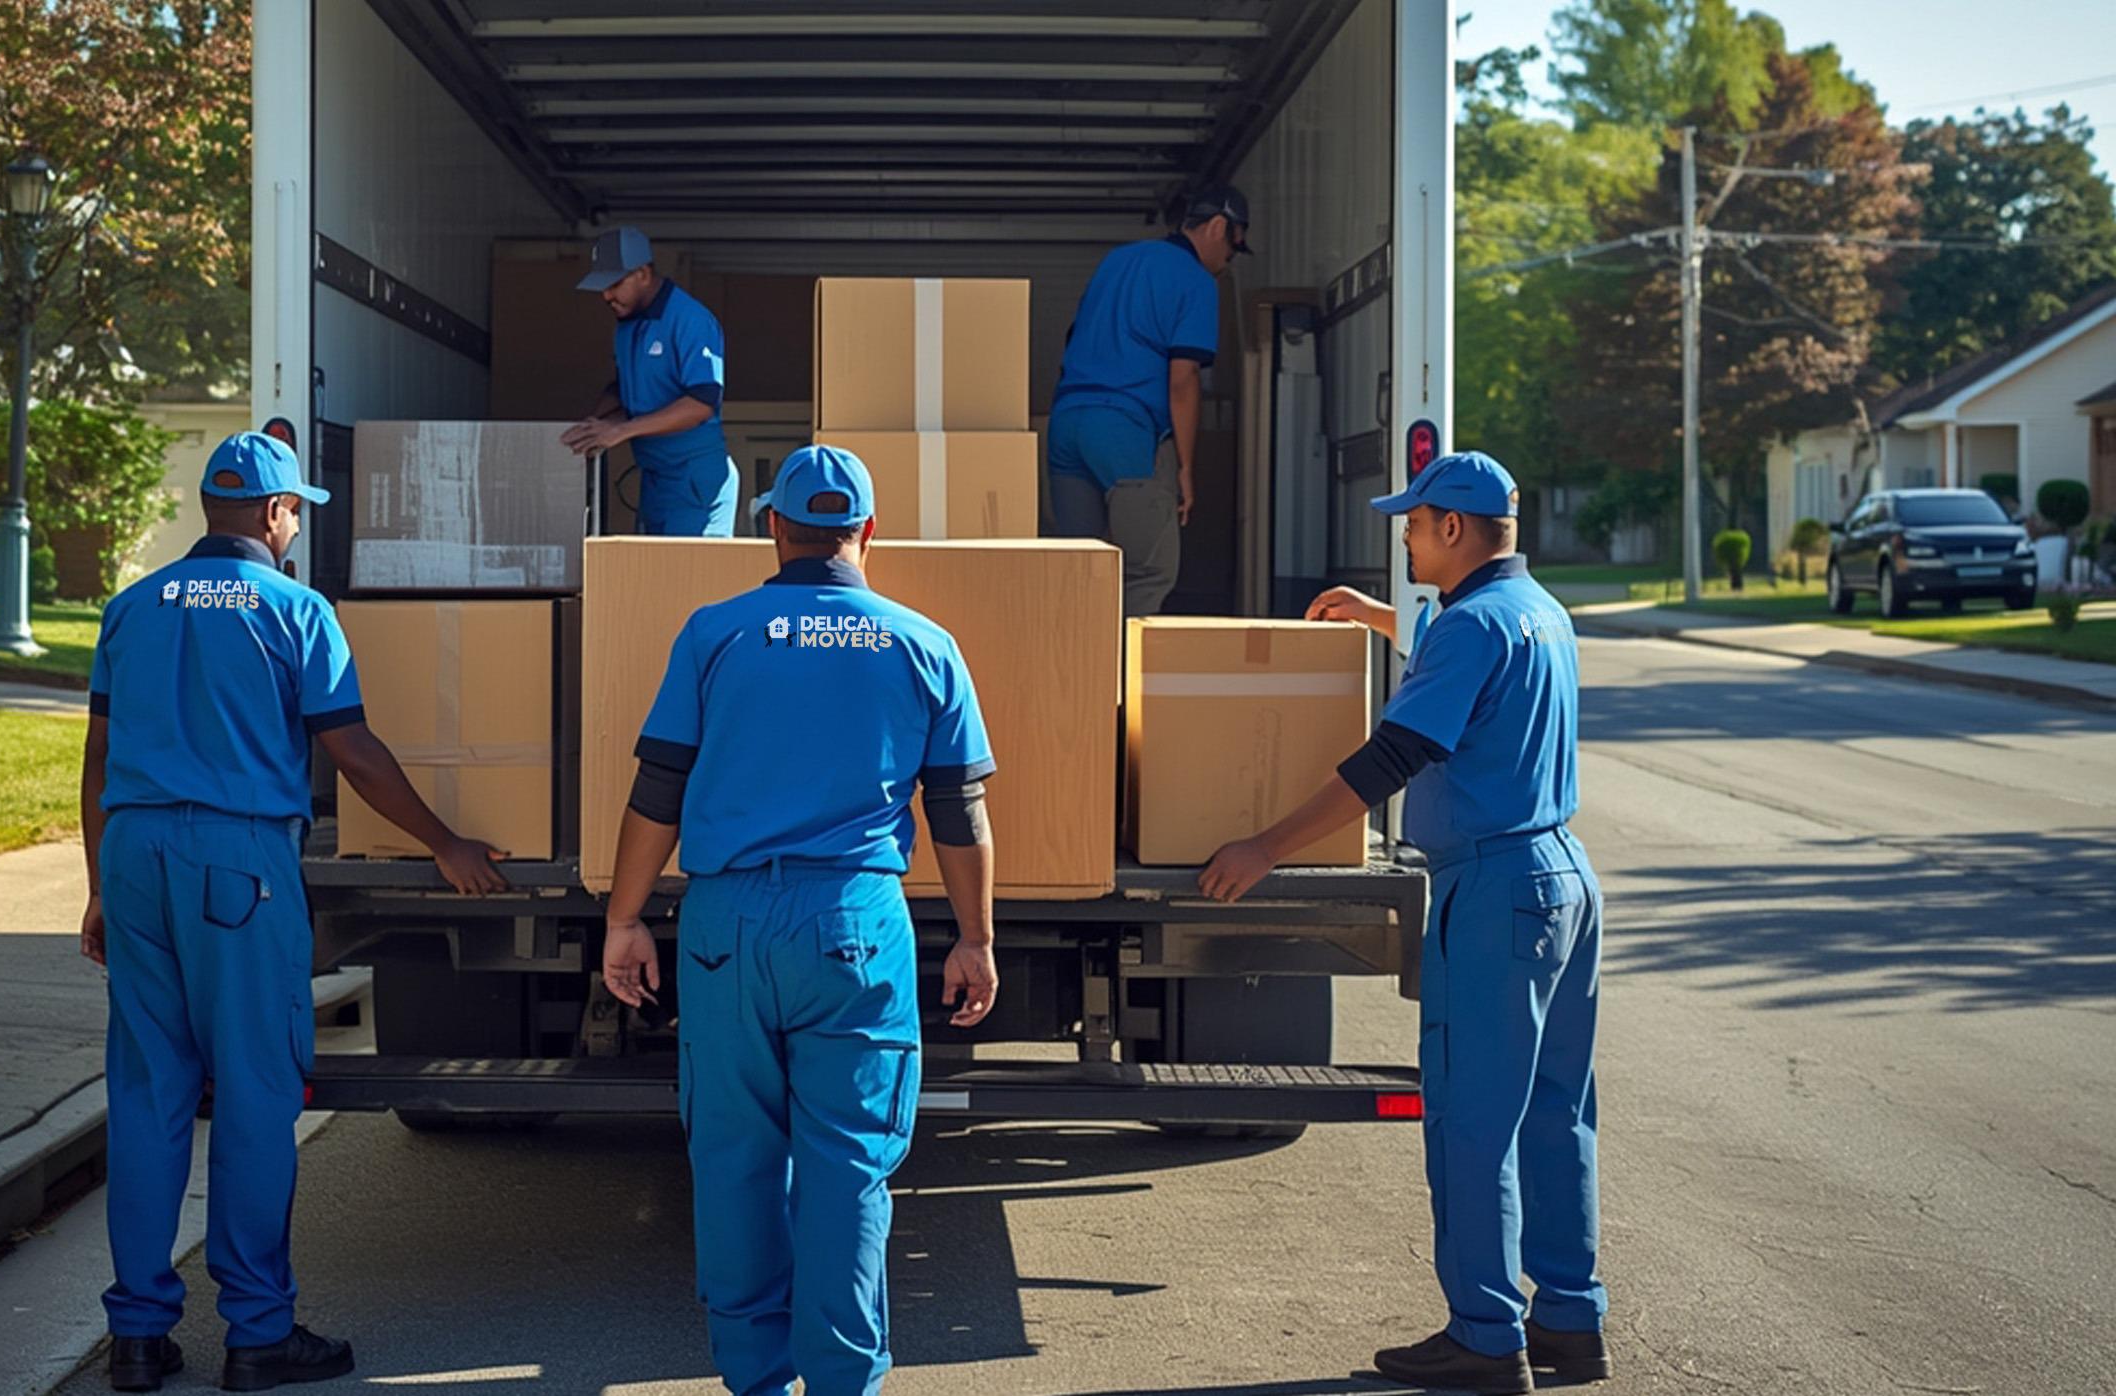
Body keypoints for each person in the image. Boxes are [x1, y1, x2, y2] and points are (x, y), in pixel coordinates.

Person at [79, 432, 511, 1393]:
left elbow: (98, 757)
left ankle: (138, 1338)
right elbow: (350, 752)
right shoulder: (295, 609)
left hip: (135, 853)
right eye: (294, 514)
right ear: (276, 514)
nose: (294, 529)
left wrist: (101, 887)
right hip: (236, 863)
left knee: (148, 1096)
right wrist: (443, 841)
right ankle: (258, 1332)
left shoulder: (132, 607)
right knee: (253, 1093)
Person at [1198, 451, 1608, 1396]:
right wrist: (1380, 617)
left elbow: (1392, 758)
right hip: (1564, 881)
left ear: (1453, 529)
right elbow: (1469, 663)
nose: (1408, 540)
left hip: (1495, 886)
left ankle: (1485, 1337)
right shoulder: (1539, 610)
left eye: (1416, 525)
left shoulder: (1469, 628)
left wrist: (1265, 847)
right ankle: (1570, 1323)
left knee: (1473, 1119)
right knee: (1557, 1113)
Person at [601, 445, 1002, 1396]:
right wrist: (975, 939)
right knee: (848, 1166)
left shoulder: (715, 633)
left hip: (727, 924)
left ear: (774, 527)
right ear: (869, 533)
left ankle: (756, 1379)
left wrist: (624, 919)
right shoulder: (922, 644)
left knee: (735, 1159)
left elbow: (658, 790)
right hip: (854, 921)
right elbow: (960, 812)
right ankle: (843, 1381)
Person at [1044, 185, 1247, 617]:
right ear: (1217, 227)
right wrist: (1185, 468)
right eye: (1233, 246)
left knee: (1079, 571)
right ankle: (1121, 662)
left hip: (1067, 422)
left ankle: (1073, 657)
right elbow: (1183, 379)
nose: (1229, 259)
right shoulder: (1196, 280)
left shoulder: (1117, 261)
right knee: (1148, 570)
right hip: (1125, 429)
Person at [562, 225, 740, 537]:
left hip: (694, 480)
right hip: (654, 479)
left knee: (687, 568)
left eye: (614, 284)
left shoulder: (690, 319)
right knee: (651, 566)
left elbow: (701, 404)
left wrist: (620, 430)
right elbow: (625, 392)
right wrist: (593, 426)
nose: (606, 296)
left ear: (643, 274)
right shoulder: (626, 325)